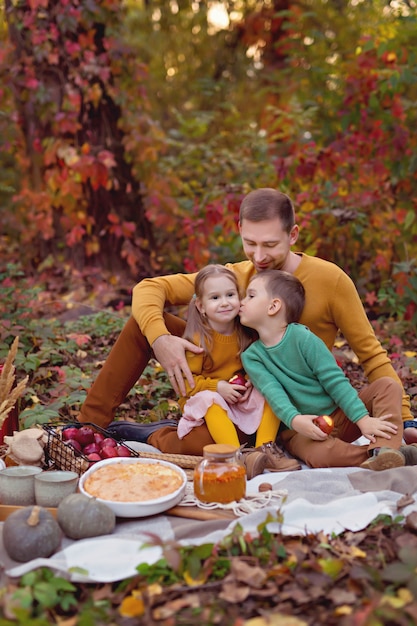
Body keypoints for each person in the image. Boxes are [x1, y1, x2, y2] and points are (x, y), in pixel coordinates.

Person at [79, 188, 413, 456]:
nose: (259, 256)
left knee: (212, 445)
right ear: (239, 230)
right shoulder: (238, 277)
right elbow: (151, 287)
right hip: (233, 383)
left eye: (270, 245)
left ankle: (158, 434)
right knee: (143, 324)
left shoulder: (330, 280)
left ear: (293, 234)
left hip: (280, 402)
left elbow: (371, 354)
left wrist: (407, 419)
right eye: (250, 243)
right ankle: (86, 429)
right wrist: (159, 339)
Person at [239, 269, 416, 470]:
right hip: (301, 430)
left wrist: (363, 419)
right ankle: (380, 457)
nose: (241, 302)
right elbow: (273, 394)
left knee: (387, 386)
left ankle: (383, 449)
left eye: (250, 296)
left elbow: (334, 380)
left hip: (341, 415)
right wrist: (296, 421)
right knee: (320, 456)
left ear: (273, 306)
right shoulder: (252, 356)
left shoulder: (303, 338)